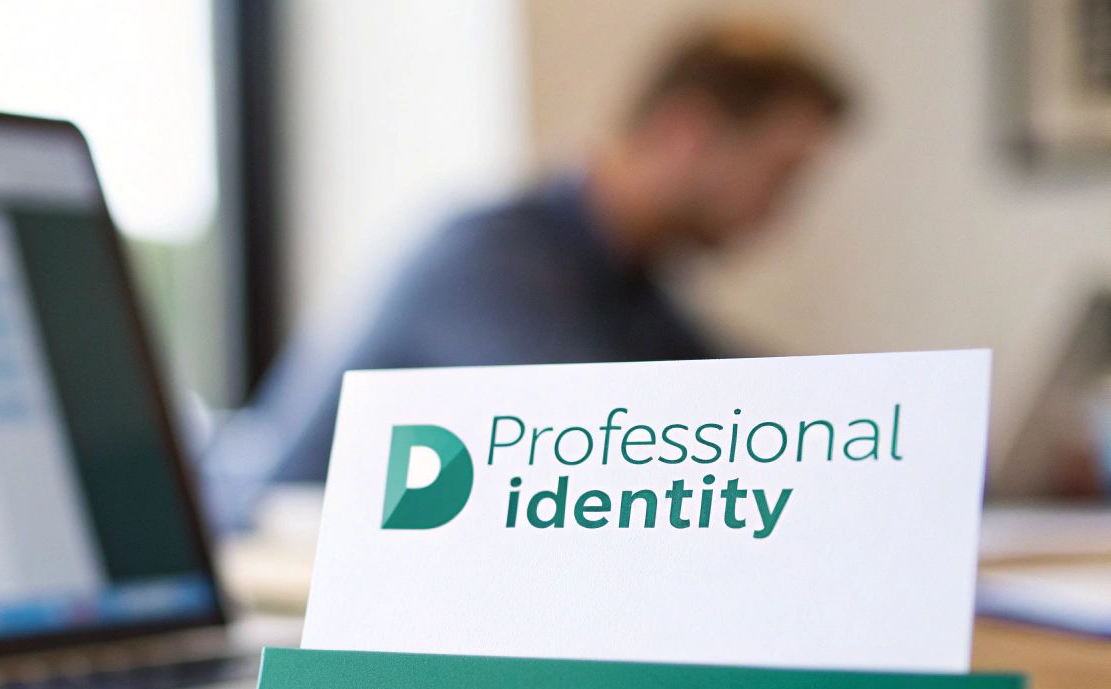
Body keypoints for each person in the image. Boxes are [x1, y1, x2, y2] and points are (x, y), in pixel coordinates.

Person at [203, 20, 853, 529]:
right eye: (780, 175)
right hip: (287, 600)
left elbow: (770, 398)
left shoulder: (630, 287)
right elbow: (620, 445)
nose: (780, 214)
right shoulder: (490, 262)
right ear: (685, 133)